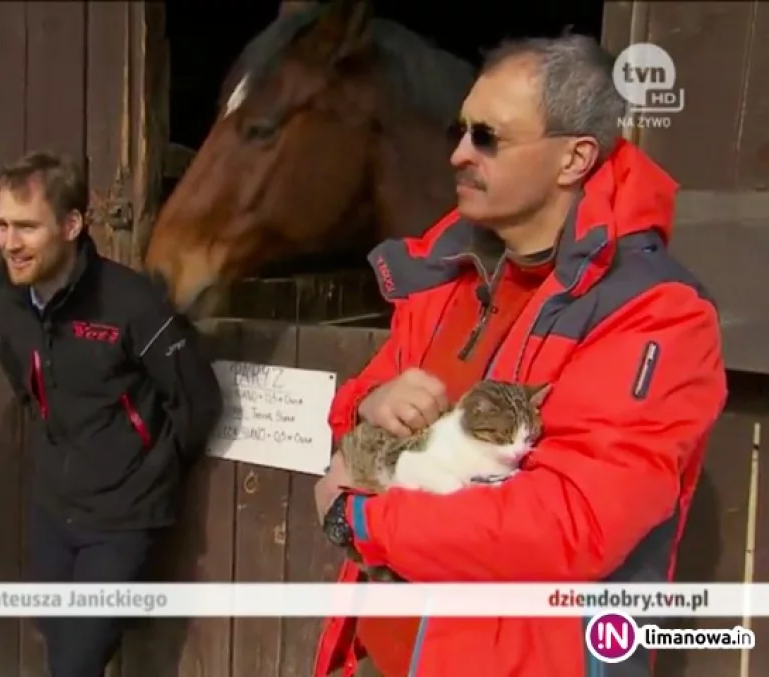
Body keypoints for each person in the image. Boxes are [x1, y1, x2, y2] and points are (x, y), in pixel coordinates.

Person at [311, 35, 727, 677]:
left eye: (488, 137)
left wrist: (358, 519)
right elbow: (353, 418)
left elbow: (569, 524)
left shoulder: (654, 313)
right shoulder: (444, 275)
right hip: (382, 655)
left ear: (574, 158)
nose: (457, 154)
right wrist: (370, 403)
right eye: (459, 131)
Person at [0, 151, 223, 677]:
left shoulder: (131, 303)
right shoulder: (5, 307)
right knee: (59, 641)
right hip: (53, 507)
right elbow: (28, 389)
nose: (9, 243)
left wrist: (148, 464)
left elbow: (197, 399)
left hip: (122, 516)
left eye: (26, 227)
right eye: (2, 225)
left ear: (72, 226)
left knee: (74, 663)